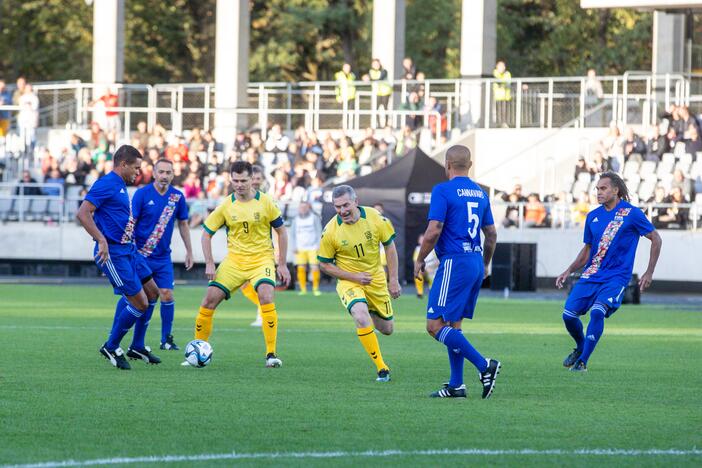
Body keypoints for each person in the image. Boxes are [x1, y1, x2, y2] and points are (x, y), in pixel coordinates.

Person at [414, 145, 500, 399]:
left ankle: (485, 366)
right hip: (474, 260)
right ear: (470, 165)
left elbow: (434, 229)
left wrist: (419, 259)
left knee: (434, 326)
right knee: (454, 324)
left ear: (447, 165)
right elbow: (492, 234)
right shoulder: (481, 193)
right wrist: (485, 263)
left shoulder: (443, 190)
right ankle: (456, 385)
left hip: (454, 261)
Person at [555, 172, 662, 372]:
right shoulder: (593, 216)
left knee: (597, 312)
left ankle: (583, 362)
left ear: (616, 190)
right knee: (568, 315)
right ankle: (580, 347)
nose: (599, 192)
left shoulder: (632, 214)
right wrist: (568, 270)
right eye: (597, 189)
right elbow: (587, 250)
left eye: (603, 188)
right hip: (591, 275)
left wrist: (649, 272)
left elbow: (656, 238)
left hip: (616, 277)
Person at [192, 161, 291, 367]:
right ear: (231, 180)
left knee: (266, 295)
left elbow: (282, 231)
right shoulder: (226, 206)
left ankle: (271, 354)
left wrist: (281, 263)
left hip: (261, 259)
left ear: (251, 179)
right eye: (235, 180)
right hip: (234, 262)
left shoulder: (266, 202)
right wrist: (209, 263)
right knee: (208, 301)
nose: (239, 184)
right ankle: (198, 350)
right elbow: (206, 234)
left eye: (243, 180)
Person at [76, 145, 162, 370]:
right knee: (139, 302)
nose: (138, 173)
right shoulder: (107, 183)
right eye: (135, 168)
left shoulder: (120, 185)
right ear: (122, 164)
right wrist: (101, 240)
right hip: (113, 254)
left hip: (129, 250)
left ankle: (137, 345)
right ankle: (111, 346)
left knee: (153, 293)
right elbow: (83, 213)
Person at [318, 185, 401, 382]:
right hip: (349, 281)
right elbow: (324, 265)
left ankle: (367, 308)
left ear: (356, 201)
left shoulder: (375, 218)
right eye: (337, 207)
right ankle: (382, 367)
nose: (342, 211)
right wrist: (354, 277)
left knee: (388, 329)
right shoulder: (330, 231)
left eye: (346, 205)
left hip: (375, 279)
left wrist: (394, 280)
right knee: (361, 316)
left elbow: (390, 247)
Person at [130, 159, 194, 351]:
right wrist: (129, 251)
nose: (165, 176)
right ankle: (136, 340)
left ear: (173, 175)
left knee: (166, 294)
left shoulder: (177, 197)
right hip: (142, 256)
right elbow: (132, 223)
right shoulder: (142, 194)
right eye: (161, 172)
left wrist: (189, 251)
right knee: (144, 298)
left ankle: (166, 339)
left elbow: (183, 224)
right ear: (154, 173)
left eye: (168, 172)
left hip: (163, 258)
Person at [290, 200, 322, 296]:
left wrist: (318, 245)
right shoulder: (295, 220)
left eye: (305, 207)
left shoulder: (314, 218)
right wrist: (294, 246)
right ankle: (303, 289)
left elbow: (319, 231)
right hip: (300, 247)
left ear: (309, 207)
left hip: (313, 247)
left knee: (315, 267)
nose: (303, 209)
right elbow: (292, 235)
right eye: (301, 207)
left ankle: (315, 289)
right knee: (301, 268)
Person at [368, 59, 393, 128]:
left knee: (385, 108)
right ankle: (378, 124)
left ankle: (386, 124)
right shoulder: (371, 71)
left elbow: (380, 78)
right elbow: (370, 78)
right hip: (378, 92)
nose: (376, 65)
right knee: (376, 109)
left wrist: (371, 80)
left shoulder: (384, 71)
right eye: (374, 64)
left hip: (385, 92)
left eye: (377, 64)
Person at [412, 234, 438, 299]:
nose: (422, 241)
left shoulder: (432, 248)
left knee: (433, 274)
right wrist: (421, 269)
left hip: (432, 268)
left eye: (423, 239)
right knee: (418, 274)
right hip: (423, 268)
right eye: (420, 239)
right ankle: (420, 293)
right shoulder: (417, 249)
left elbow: (438, 261)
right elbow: (416, 261)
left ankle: (432, 291)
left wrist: (432, 267)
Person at [17, 83, 39, 156]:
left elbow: (34, 107)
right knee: (23, 136)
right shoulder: (22, 97)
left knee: (31, 136)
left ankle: (31, 152)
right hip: (23, 120)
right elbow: (20, 107)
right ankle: (23, 152)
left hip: (31, 120)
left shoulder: (34, 98)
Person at [492, 60, 512, 127]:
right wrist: (502, 82)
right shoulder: (495, 72)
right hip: (498, 97)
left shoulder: (507, 73)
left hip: (506, 96)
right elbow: (499, 81)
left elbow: (507, 82)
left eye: (503, 66)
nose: (502, 68)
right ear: (497, 66)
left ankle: (505, 124)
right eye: (500, 66)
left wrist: (502, 83)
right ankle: (499, 124)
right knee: (498, 112)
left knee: (505, 112)